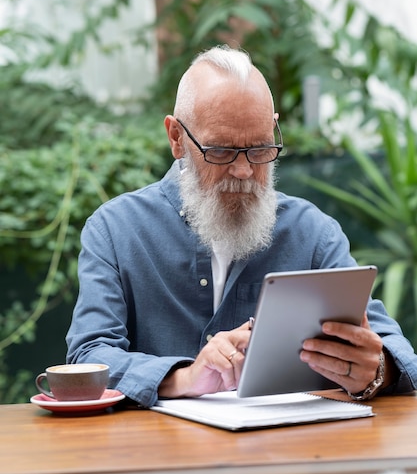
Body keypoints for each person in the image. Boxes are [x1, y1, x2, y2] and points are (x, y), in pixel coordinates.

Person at [66, 45, 417, 407]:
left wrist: (376, 368)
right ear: (176, 138)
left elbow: (396, 351)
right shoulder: (116, 229)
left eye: (261, 149)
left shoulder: (312, 232)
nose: (244, 170)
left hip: (287, 453)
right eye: (220, 151)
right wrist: (185, 377)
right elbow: (88, 357)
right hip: (157, 454)